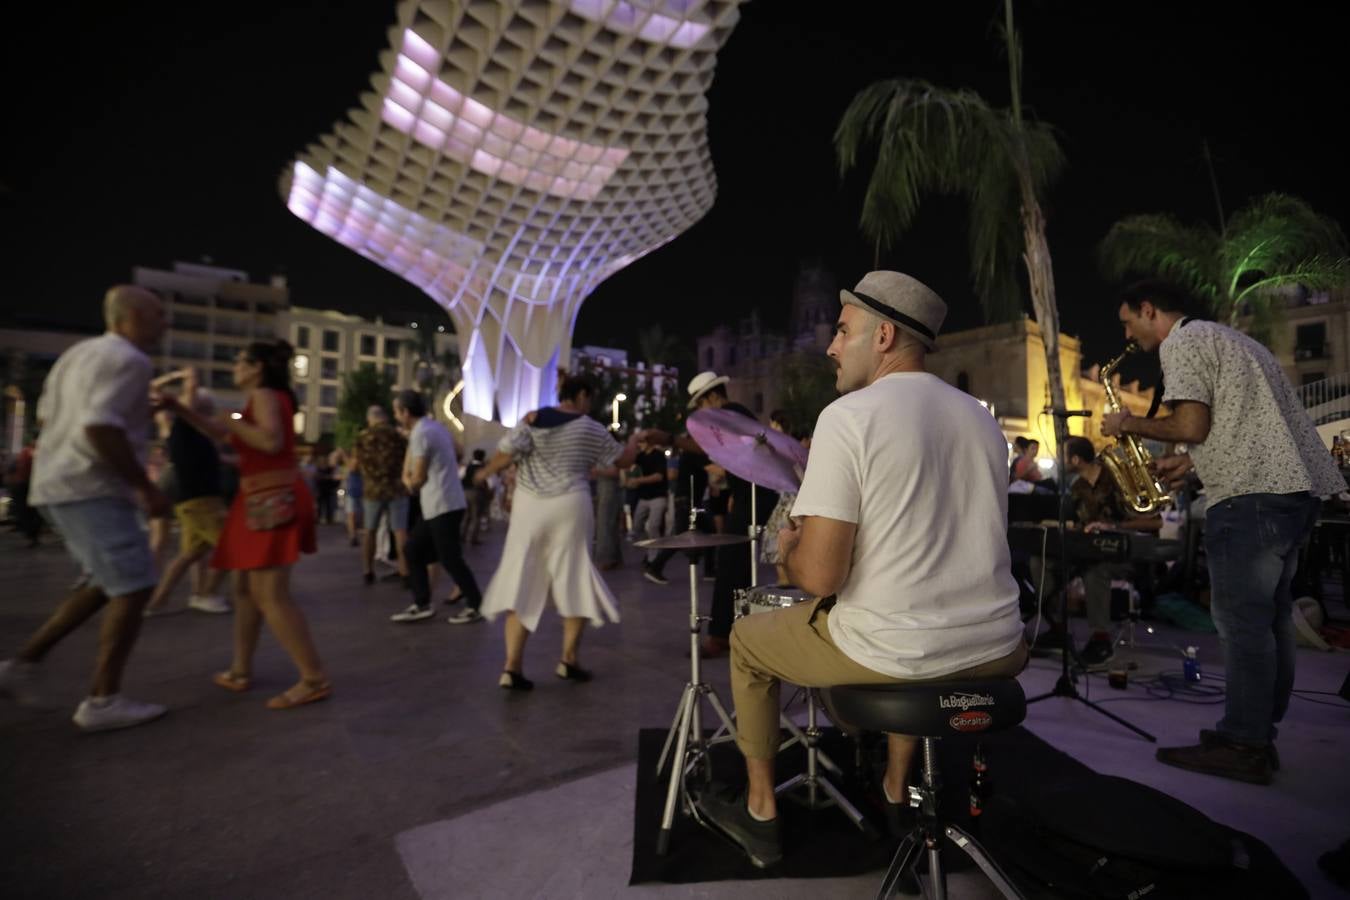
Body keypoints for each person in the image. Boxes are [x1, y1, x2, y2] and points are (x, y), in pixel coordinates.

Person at [692, 271, 1026, 868]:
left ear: (884, 336)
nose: (830, 345)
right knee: (904, 618)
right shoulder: (982, 421)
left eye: (843, 331)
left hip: (903, 650)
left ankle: (760, 812)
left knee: (746, 640)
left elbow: (821, 578)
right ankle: (896, 788)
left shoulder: (849, 416)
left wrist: (789, 548)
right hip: (999, 647)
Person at [1103, 279, 1344, 784]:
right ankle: (1255, 732)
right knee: (1271, 619)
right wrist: (1191, 465)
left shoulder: (1182, 342)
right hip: (1291, 493)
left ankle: (1244, 743)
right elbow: (1238, 423)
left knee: (1242, 623)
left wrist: (1128, 424)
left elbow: (1191, 426)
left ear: (1148, 310)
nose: (1126, 333)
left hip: (1249, 498)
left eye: (1127, 322)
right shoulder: (1233, 339)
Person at [0, 286, 171, 731]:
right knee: (134, 586)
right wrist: (146, 488)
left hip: (56, 482)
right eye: (158, 314)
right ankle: (103, 699)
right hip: (90, 486)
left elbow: (49, 417)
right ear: (133, 315)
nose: (165, 322)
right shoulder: (131, 360)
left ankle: (22, 664)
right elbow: (99, 426)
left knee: (106, 581)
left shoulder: (77, 355)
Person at [160, 340, 331, 709]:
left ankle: (313, 678)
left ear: (257, 368)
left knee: (270, 594)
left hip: (269, 500)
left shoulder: (265, 395)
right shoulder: (266, 397)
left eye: (240, 361)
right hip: (260, 499)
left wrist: (231, 418)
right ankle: (240, 670)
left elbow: (270, 441)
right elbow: (226, 435)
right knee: (244, 589)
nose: (235, 367)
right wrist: (181, 409)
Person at [474, 375, 644, 689]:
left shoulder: (532, 419)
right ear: (582, 395)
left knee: (522, 578)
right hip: (570, 504)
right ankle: (568, 660)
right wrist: (635, 441)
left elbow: (506, 452)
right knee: (575, 578)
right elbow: (624, 460)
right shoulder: (589, 427)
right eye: (589, 398)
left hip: (528, 506)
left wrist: (486, 471)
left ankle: (511, 666)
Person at [679, 370, 777, 657]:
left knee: (731, 563)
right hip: (751, 494)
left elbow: (708, 448)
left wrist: (671, 440)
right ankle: (735, 629)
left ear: (711, 397)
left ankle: (721, 635)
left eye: (701, 404)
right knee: (738, 565)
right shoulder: (737, 414)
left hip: (756, 495)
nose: (701, 411)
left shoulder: (730, 412)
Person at [1061, 435, 1161, 668]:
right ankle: (1054, 627)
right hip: (1093, 551)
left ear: (1075, 459)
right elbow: (1079, 523)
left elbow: (1155, 521)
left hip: (1129, 551)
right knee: (1043, 561)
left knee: (1096, 571)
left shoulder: (1118, 478)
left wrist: (1114, 526)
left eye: (1064, 455)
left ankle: (1101, 640)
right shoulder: (1077, 488)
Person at [391, 390, 483, 624]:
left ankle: (475, 604)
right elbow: (459, 451)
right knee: (414, 549)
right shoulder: (435, 427)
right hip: (444, 502)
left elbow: (418, 477)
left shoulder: (421, 434)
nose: (396, 416)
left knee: (449, 558)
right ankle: (423, 603)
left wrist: (407, 482)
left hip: (442, 504)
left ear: (405, 412)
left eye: (396, 412)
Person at [144, 375, 230, 616]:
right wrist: (185, 375)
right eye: (208, 408)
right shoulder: (185, 428)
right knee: (231, 547)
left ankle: (157, 602)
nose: (211, 412)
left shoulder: (193, 433)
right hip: (200, 501)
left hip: (194, 500)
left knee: (188, 555)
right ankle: (206, 594)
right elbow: (188, 389)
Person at [354, 405, 409, 586]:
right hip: (397, 488)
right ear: (385, 417)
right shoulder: (397, 436)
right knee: (400, 531)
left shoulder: (363, 437)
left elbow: (355, 465)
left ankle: (368, 571)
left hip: (373, 490)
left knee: (370, 530)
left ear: (370, 419)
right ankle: (405, 571)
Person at [631, 434, 669, 582]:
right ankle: (650, 550)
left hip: (658, 496)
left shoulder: (658, 455)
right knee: (636, 526)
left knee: (653, 526)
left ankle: (653, 559)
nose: (640, 444)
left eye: (642, 442)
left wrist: (638, 480)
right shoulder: (640, 456)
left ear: (649, 442)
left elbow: (659, 476)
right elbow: (629, 464)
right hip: (643, 497)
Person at [460, 448, 489, 545]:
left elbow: (460, 477)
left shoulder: (467, 467)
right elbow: (487, 482)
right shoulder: (483, 467)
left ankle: (462, 535)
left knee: (466, 515)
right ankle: (472, 538)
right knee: (476, 516)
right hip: (477, 492)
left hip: (465, 491)